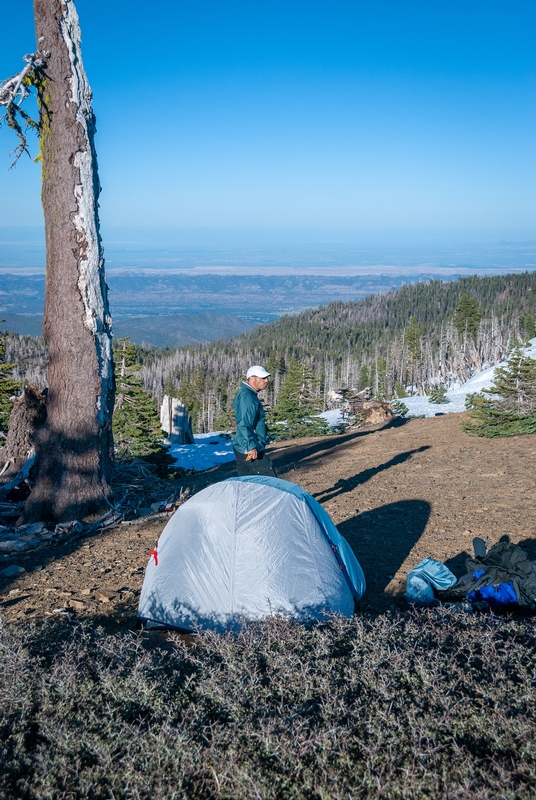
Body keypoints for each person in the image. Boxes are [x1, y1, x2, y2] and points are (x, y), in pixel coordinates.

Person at [233, 365, 277, 477]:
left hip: (247, 445)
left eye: (266, 377)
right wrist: (250, 446)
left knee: (247, 482)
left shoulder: (249, 394)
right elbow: (243, 423)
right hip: (249, 448)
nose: (266, 380)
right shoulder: (247, 397)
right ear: (252, 378)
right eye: (262, 378)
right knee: (269, 480)